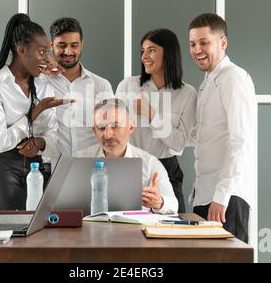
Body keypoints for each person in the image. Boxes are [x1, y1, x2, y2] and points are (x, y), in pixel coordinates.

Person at [0, 13, 72, 211]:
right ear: (21, 50)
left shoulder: (43, 83)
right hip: (4, 167)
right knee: (10, 230)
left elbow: (52, 132)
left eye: (48, 53)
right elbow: (2, 143)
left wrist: (39, 142)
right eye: (42, 52)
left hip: (37, 166)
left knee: (39, 231)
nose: (48, 59)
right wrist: (36, 111)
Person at [188, 13, 257, 243]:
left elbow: (241, 141)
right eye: (193, 44)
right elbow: (205, 136)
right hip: (206, 194)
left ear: (223, 42)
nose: (197, 49)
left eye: (204, 43)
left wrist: (222, 195)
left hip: (226, 198)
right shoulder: (208, 82)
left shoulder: (233, 79)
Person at [116, 28, 196, 213]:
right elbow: (115, 130)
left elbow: (178, 144)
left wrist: (152, 115)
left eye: (151, 50)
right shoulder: (128, 86)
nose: (144, 56)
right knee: (126, 229)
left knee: (174, 233)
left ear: (168, 53)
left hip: (167, 168)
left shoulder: (187, 94)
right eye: (142, 50)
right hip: (130, 166)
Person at [75, 98, 178, 215]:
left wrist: (159, 202)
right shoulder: (78, 160)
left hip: (135, 231)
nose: (108, 135)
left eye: (115, 126)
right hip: (90, 230)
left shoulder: (149, 163)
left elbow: (173, 205)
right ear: (94, 131)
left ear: (130, 127)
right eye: (101, 128)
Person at [40, 17, 114, 155]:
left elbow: (111, 129)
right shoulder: (39, 81)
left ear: (82, 44)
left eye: (74, 45)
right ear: (51, 45)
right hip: (50, 167)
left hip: (92, 166)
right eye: (61, 45)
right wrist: (40, 62)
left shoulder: (101, 86)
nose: (68, 52)